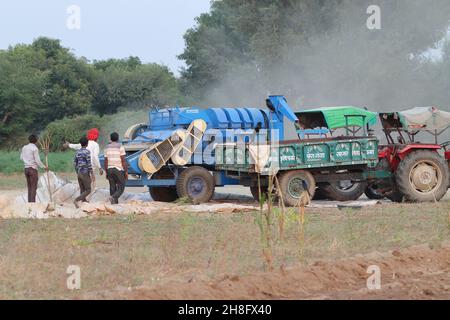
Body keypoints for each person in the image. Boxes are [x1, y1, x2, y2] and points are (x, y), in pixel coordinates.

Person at [20, 135, 48, 203]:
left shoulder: (24, 147)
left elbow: (21, 158)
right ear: (36, 141)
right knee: (33, 188)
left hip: (26, 169)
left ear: (29, 140)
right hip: (32, 169)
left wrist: (27, 161)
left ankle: (29, 203)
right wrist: (44, 167)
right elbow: (37, 160)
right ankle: (32, 204)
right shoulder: (35, 148)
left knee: (29, 187)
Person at [104, 132, 128, 204]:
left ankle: (114, 204)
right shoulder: (120, 147)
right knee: (121, 186)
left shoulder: (107, 147)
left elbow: (106, 161)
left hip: (109, 169)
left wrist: (106, 171)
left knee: (112, 186)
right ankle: (113, 197)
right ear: (118, 138)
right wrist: (126, 171)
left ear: (110, 139)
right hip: (118, 169)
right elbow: (123, 160)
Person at [73, 137, 94, 208]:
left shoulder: (77, 152)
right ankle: (76, 200)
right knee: (88, 189)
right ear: (87, 143)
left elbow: (75, 163)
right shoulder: (87, 152)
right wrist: (92, 174)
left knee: (82, 189)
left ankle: (83, 201)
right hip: (85, 172)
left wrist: (77, 171)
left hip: (79, 172)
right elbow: (89, 163)